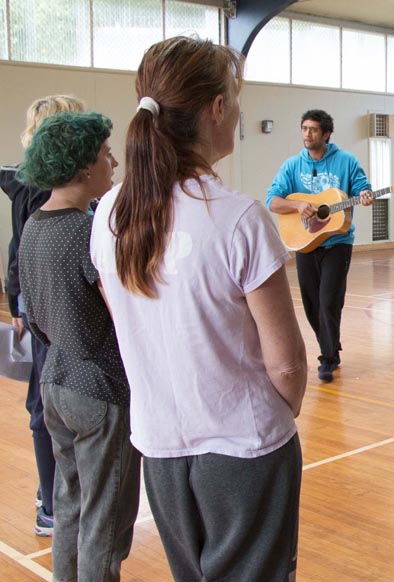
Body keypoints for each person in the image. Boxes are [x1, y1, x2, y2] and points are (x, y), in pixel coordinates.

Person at [90, 37, 307, 582]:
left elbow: (123, 320)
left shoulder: (108, 212)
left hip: (160, 445)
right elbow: (286, 363)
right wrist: (275, 414)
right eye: (234, 98)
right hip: (244, 448)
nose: (239, 111)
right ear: (216, 108)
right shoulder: (238, 217)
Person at [16, 111, 140, 582]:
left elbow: (34, 312)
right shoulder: (89, 233)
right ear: (84, 166)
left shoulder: (33, 226)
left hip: (56, 382)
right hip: (100, 390)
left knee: (69, 505)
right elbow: (124, 316)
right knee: (104, 522)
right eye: (106, 154)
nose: (113, 162)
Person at [0, 94, 85, 536]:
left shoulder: (44, 184)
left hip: (44, 302)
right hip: (49, 304)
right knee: (44, 401)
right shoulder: (38, 189)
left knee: (50, 399)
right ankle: (52, 504)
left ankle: (51, 490)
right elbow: (23, 249)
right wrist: (19, 301)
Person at [267, 109, 373, 382]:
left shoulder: (346, 161)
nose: (307, 134)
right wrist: (298, 204)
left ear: (326, 134)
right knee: (312, 304)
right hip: (304, 242)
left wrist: (364, 194)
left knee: (329, 301)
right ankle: (331, 344)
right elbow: (273, 201)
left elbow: (362, 186)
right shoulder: (292, 166)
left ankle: (327, 358)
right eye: (304, 129)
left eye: (313, 129)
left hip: (337, 241)